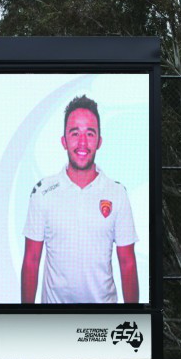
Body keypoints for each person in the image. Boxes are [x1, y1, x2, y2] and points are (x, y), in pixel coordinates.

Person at [21, 95, 139, 304]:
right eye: (75, 133)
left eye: (90, 134)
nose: (82, 143)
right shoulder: (42, 192)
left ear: (99, 141)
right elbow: (31, 260)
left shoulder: (117, 193)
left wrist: (134, 319)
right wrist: (26, 319)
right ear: (64, 141)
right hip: (53, 324)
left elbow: (127, 262)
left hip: (104, 325)